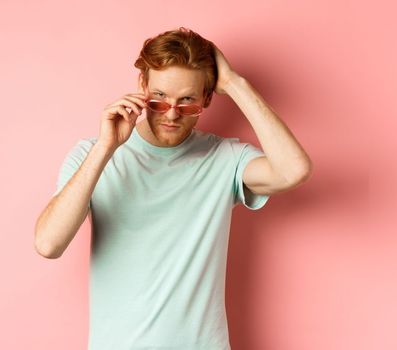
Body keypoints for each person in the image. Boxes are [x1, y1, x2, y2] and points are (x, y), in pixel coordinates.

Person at [33, 27, 312, 349]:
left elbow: (294, 171)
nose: (171, 114)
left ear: (208, 98)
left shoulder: (225, 159)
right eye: (159, 98)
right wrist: (106, 148)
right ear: (142, 86)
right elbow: (49, 244)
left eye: (188, 102)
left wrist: (235, 84)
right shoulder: (91, 154)